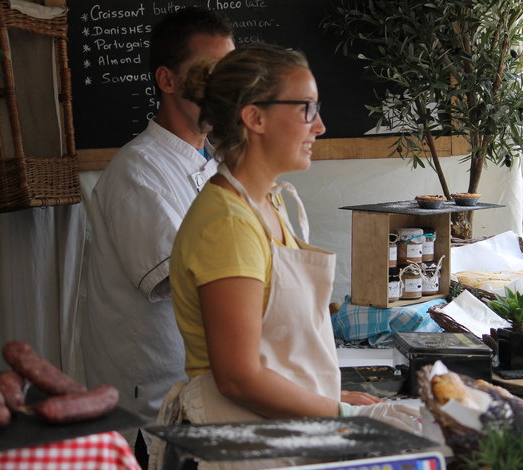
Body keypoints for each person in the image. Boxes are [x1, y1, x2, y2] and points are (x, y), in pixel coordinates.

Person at [157, 43, 418, 469]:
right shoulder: (228, 225)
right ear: (254, 117)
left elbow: (274, 352)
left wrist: (329, 399)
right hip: (244, 444)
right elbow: (239, 378)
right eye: (306, 109)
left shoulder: (268, 202)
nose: (320, 126)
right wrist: (344, 415)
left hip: (281, 432)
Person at [82, 6, 234, 460]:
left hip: (200, 395)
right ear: (167, 80)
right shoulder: (139, 171)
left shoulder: (212, 163)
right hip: (154, 406)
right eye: (208, 74)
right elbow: (199, 284)